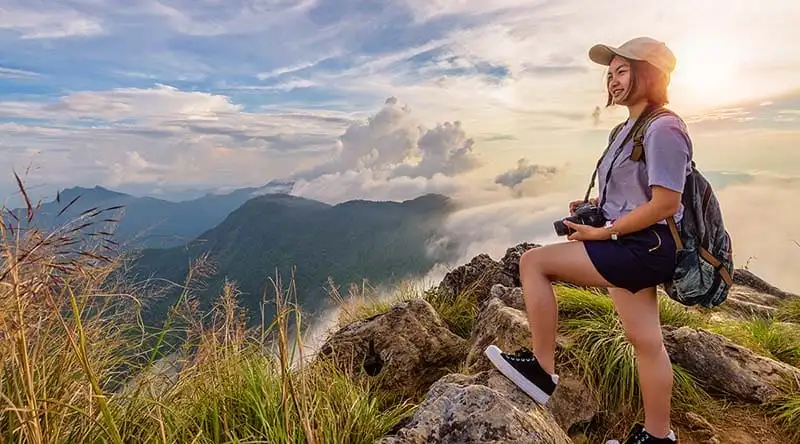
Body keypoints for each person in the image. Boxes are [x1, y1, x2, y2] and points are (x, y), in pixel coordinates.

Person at [485, 37, 691, 444]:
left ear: (647, 74)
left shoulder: (665, 126)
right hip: (634, 242)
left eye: (622, 71)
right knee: (646, 341)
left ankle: (541, 372)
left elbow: (667, 202)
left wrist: (603, 232)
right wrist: (598, 204)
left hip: (643, 247)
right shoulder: (627, 128)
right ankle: (658, 435)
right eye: (610, 73)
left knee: (534, 263)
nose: (612, 81)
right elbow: (639, 192)